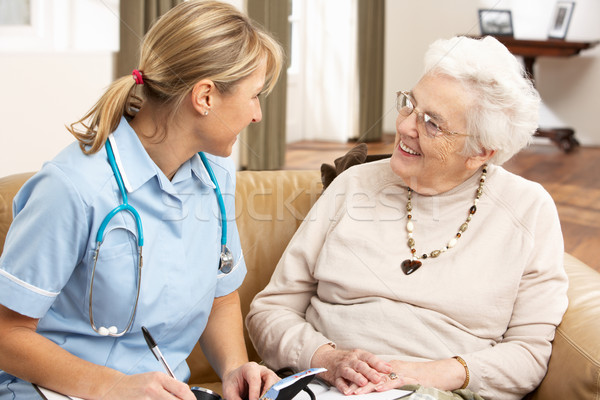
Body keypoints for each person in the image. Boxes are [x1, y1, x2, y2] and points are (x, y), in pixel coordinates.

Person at [246, 36, 568, 400]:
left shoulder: (527, 209)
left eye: (432, 123)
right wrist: (329, 359)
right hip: (322, 386)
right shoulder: (354, 185)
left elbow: (529, 353)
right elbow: (269, 312)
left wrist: (419, 374)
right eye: (409, 105)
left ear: (480, 151)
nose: (404, 127)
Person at [0, 1, 283, 399]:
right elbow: (6, 334)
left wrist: (235, 367)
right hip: (51, 392)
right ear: (204, 97)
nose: (257, 115)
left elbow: (220, 296)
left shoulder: (215, 179)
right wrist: (114, 386)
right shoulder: (73, 187)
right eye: (255, 96)